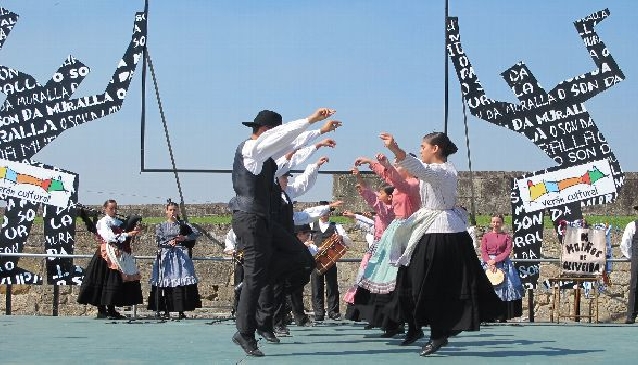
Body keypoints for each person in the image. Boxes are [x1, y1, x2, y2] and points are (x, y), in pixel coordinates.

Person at [379, 131, 504, 356]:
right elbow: (411, 176)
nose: (420, 150)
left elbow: (420, 169)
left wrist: (395, 148)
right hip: (429, 229)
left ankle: (439, 333)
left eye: (423, 146)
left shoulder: (442, 172)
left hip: (443, 233)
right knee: (410, 278)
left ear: (435, 148)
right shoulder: (435, 173)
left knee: (435, 284)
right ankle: (416, 327)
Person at [229, 108, 340, 357]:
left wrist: (318, 133)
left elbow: (292, 147)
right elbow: (285, 138)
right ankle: (245, 332)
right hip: (249, 219)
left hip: (265, 222)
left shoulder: (267, 160)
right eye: (275, 133)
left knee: (301, 259)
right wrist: (311, 120)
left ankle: (257, 282)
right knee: (255, 277)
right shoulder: (250, 150)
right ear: (266, 132)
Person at [353, 153, 420, 339]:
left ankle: (406, 322)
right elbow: (389, 177)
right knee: (388, 278)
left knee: (402, 279)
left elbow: (394, 178)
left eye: (400, 165)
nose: (396, 168)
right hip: (396, 232)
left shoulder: (413, 184)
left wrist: (382, 163)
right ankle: (391, 321)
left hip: (408, 229)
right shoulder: (400, 184)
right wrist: (370, 162)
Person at [77, 200, 144, 320]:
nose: (114, 211)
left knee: (115, 282)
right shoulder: (104, 221)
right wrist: (128, 234)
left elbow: (125, 231)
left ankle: (112, 309)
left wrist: (134, 227)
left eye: (115, 208)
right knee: (103, 280)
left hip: (118, 253)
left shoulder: (118, 221)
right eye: (111, 208)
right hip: (106, 254)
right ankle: (101, 310)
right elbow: (108, 236)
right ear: (105, 209)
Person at [147, 202, 201, 320]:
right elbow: (158, 240)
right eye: (170, 210)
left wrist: (184, 238)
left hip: (180, 256)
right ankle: (166, 310)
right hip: (166, 255)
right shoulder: (161, 226)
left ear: (178, 212)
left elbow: (197, 233)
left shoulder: (183, 224)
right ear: (166, 211)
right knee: (165, 282)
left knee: (180, 283)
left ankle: (181, 310)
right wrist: (168, 242)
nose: (172, 212)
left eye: (175, 210)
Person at [310, 201, 353, 321]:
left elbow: (346, 238)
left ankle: (333, 311)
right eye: (322, 212)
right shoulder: (312, 223)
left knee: (332, 285)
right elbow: (307, 239)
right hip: (316, 259)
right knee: (316, 286)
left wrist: (341, 237)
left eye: (327, 212)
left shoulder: (336, 222)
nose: (324, 214)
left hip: (330, 259)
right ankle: (318, 312)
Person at [480, 214, 523, 322]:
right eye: (494, 222)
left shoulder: (507, 237)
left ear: (502, 223)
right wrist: (489, 262)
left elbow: (507, 251)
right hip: (488, 263)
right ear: (491, 223)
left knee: (506, 288)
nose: (495, 224)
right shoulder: (486, 236)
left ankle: (502, 315)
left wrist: (496, 260)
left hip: (502, 263)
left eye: (498, 222)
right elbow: (483, 251)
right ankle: (487, 315)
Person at [620, 208, 638, 324]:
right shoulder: (632, 225)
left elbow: (625, 243)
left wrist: (631, 256)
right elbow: (625, 243)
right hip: (637, 257)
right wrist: (631, 257)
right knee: (635, 285)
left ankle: (631, 315)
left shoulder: (632, 225)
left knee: (635, 285)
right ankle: (631, 315)